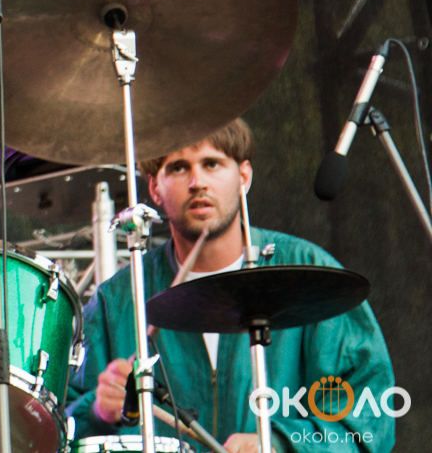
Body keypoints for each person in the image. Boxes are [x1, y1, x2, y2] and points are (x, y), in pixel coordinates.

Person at [66, 119, 396, 452]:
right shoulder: (116, 301)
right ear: (154, 188)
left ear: (244, 176)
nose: (197, 182)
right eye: (179, 168)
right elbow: (56, 429)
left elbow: (371, 419)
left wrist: (278, 444)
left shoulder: (311, 274)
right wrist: (96, 411)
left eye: (212, 164)